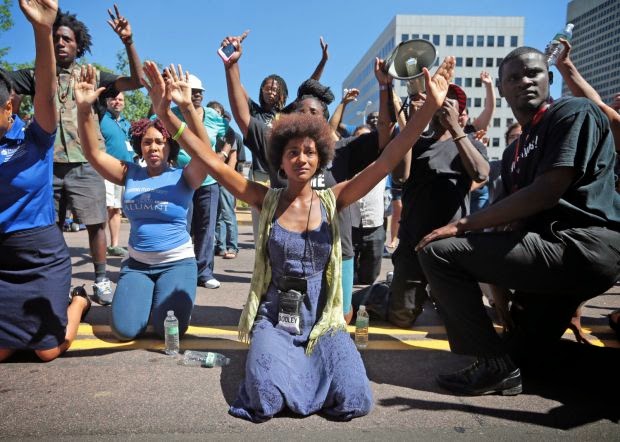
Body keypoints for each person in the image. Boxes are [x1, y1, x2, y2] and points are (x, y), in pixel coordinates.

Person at [142, 38, 454, 420]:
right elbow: (212, 161)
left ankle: (315, 371)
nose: (301, 158)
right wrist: (167, 114)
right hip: (275, 319)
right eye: (293, 152)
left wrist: (429, 109)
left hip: (324, 320)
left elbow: (388, 159)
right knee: (264, 397)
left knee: (356, 398)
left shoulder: (335, 197)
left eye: (309, 151)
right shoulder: (265, 198)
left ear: (320, 157)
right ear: (281, 161)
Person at [415, 46, 620, 396]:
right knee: (526, 360)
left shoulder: (573, 112)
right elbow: (506, 221)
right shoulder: (512, 152)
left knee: (437, 252)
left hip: (582, 244)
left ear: (549, 78)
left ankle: (492, 366)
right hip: (546, 254)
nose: (524, 81)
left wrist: (460, 225)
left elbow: (546, 192)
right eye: (513, 77)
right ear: (502, 87)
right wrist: (497, 292)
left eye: (533, 73)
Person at [223, 34, 395, 324]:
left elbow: (385, 140)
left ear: (325, 121)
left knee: (340, 317)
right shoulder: (277, 148)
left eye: (314, 113)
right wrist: (232, 67)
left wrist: (384, 87)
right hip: (286, 255)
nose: (306, 117)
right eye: (300, 111)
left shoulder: (344, 150)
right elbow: (243, 117)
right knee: (288, 320)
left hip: (336, 252)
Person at [3, 5, 143, 305]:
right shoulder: (37, 76)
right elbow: (4, 79)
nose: (60, 43)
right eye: (56, 38)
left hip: (86, 163)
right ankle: (54, 281)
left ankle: (101, 279)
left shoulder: (93, 75)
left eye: (67, 39)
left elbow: (136, 81)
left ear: (79, 45)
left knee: (95, 223)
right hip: (48, 166)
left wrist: (128, 42)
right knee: (49, 227)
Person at [74, 64, 210, 342]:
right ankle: (140, 299)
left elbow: (205, 153)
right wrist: (84, 109)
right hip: (138, 265)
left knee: (167, 330)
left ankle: (168, 299)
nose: (154, 147)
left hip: (177, 263)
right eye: (147, 142)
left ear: (170, 146)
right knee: (124, 331)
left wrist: (186, 109)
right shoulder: (130, 173)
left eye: (160, 142)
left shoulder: (185, 176)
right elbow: (93, 154)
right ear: (139, 146)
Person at [0, 0, 89, 363]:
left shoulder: (35, 138)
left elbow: (46, 93)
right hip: (3, 261)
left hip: (41, 256)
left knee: (47, 350)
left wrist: (42, 29)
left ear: (9, 107)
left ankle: (79, 301)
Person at [386, 84, 489, 329]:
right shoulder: (415, 141)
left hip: (452, 245)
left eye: (451, 101)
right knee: (401, 317)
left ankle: (437, 296)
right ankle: (380, 294)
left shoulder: (470, 144)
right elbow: (399, 176)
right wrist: (413, 124)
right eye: (440, 98)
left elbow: (481, 174)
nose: (444, 103)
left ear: (459, 112)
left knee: (458, 318)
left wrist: (455, 128)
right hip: (413, 243)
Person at [171, 73, 228, 289]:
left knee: (206, 228)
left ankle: (204, 272)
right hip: (181, 180)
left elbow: (232, 136)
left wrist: (223, 154)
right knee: (182, 226)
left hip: (209, 181)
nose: (196, 95)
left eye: (199, 92)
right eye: (192, 91)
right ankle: (180, 271)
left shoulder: (213, 115)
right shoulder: (173, 114)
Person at [100, 91, 133, 257]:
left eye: (120, 99)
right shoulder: (101, 119)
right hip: (105, 170)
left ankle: (114, 245)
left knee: (116, 209)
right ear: (107, 101)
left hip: (125, 171)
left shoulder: (127, 123)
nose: (117, 102)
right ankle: (99, 244)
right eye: (114, 99)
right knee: (105, 207)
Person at [208, 102, 241, 259]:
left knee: (228, 214)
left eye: (217, 112)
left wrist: (226, 176)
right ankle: (220, 246)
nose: (214, 114)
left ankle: (232, 246)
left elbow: (233, 157)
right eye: (211, 111)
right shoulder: (207, 129)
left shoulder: (227, 132)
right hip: (210, 178)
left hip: (225, 177)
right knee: (217, 215)